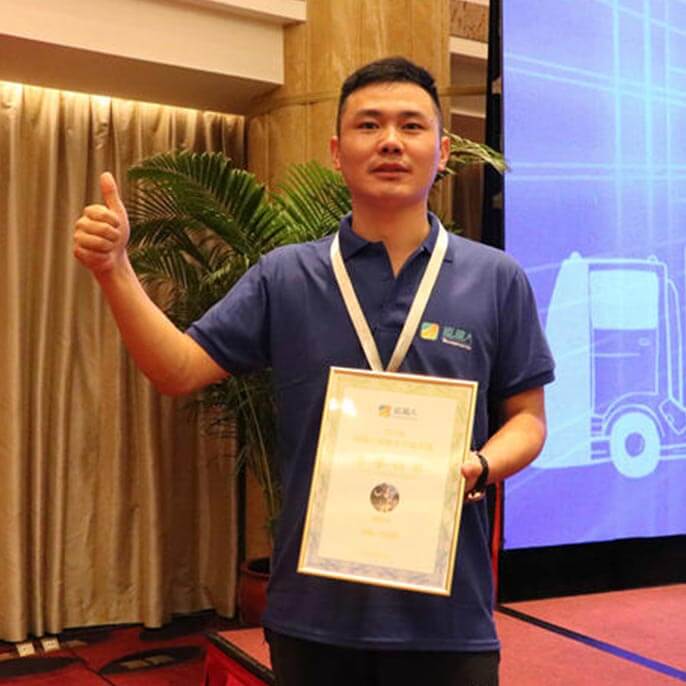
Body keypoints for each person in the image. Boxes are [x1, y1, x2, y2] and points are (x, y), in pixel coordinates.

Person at [74, 57, 554, 686]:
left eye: (412, 126)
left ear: (441, 152)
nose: (390, 141)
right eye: (369, 125)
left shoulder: (496, 278)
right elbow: (178, 370)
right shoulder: (286, 275)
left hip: (448, 617)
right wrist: (115, 271)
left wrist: (480, 465)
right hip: (314, 615)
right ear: (336, 152)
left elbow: (528, 421)